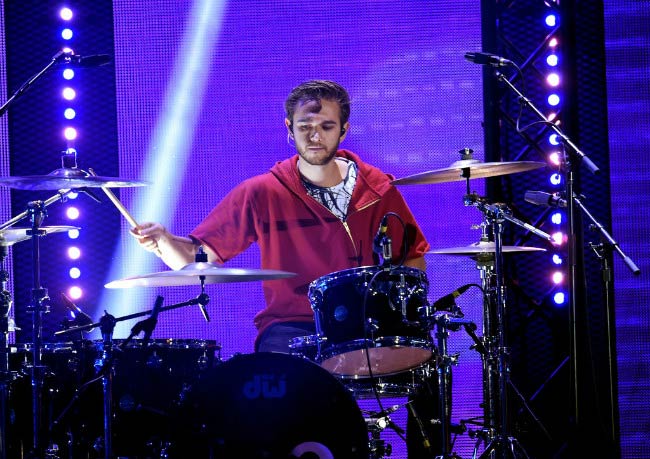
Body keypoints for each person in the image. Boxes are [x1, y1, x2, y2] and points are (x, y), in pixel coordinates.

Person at [131, 79, 440, 457]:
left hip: (364, 324)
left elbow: (413, 258)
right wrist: (164, 240)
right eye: (304, 127)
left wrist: (398, 306)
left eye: (326, 126)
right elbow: (200, 258)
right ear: (289, 129)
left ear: (344, 129)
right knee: (276, 388)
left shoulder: (379, 190)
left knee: (432, 369)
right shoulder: (262, 191)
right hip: (290, 325)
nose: (314, 136)